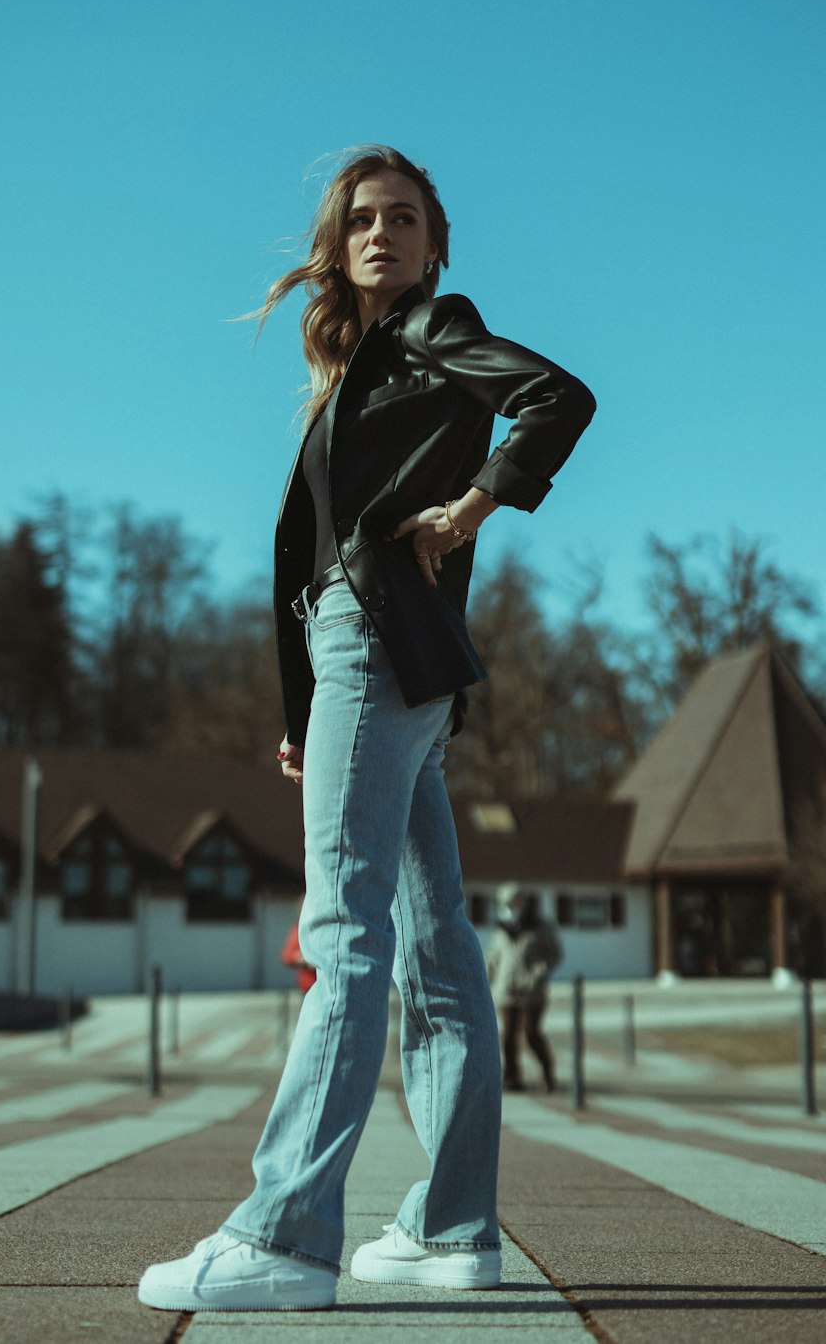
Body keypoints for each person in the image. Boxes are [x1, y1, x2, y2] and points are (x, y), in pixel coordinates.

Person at [138, 145, 596, 1313]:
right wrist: (306, 718)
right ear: (338, 250)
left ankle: (285, 1233)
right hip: (387, 669)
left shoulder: (437, 328)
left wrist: (481, 497)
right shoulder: (366, 369)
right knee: (439, 949)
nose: (381, 234)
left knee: (344, 930)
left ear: (435, 243)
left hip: (378, 643)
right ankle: (452, 1231)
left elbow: (556, 396)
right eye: (361, 222)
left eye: (403, 218)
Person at [487, 886, 563, 1092]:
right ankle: (512, 1078)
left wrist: (538, 973)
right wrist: (483, 977)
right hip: (506, 991)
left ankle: (548, 1073)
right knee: (509, 1037)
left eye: (514, 903)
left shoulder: (540, 926)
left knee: (531, 1033)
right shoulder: (502, 927)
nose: (510, 908)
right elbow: (494, 958)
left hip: (532, 992)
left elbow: (554, 954)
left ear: (523, 902)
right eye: (505, 904)